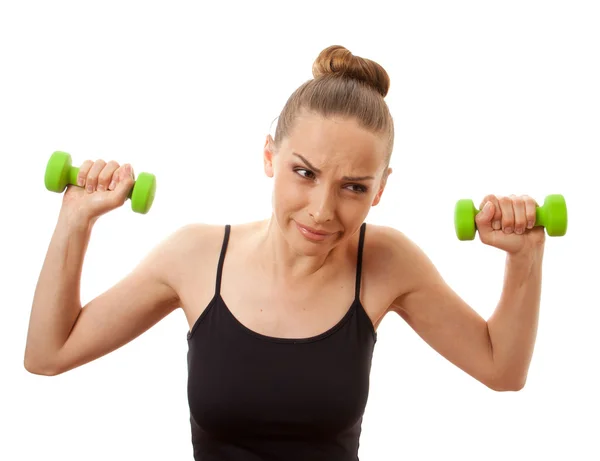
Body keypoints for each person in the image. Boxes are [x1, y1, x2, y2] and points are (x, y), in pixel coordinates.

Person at [24, 45, 546, 460]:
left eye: (354, 187)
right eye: (305, 172)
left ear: (381, 189)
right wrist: (75, 219)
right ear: (270, 156)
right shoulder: (197, 255)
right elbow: (49, 354)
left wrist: (524, 256)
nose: (321, 209)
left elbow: (502, 370)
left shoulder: (386, 261)